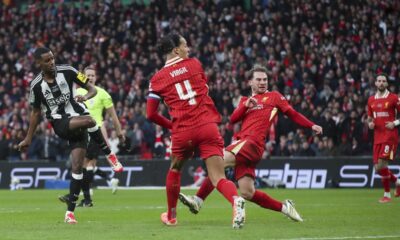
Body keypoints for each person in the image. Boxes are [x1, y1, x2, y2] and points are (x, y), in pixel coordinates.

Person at [179, 65, 323, 222]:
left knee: (217, 162)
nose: (263, 82)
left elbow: (292, 113)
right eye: (259, 79)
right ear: (250, 82)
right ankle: (284, 207)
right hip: (246, 147)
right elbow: (233, 119)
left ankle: (198, 200)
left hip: (251, 143)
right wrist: (245, 106)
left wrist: (311, 125)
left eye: (265, 79)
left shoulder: (274, 97)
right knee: (248, 192)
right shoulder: (244, 100)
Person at [146, 32, 246, 229]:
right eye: (185, 45)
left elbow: (150, 114)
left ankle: (172, 216)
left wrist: (171, 125)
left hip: (183, 130)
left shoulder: (157, 79)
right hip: (207, 125)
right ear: (176, 50)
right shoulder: (194, 64)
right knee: (218, 177)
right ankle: (236, 200)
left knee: (175, 169)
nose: (188, 49)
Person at [17, 47, 121, 224]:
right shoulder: (36, 86)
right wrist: (28, 138)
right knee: (90, 121)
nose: (52, 62)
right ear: (39, 63)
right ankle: (109, 153)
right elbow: (35, 113)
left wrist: (86, 96)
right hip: (60, 123)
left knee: (77, 167)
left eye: (52, 58)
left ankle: (69, 214)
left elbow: (91, 89)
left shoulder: (68, 71)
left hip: (77, 115)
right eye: (47, 60)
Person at [59, 65, 126, 207]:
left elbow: (113, 116)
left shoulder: (102, 94)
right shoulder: (75, 92)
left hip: (96, 132)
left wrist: (119, 132)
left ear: (96, 77)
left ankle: (82, 197)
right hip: (80, 132)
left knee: (88, 164)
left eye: (92, 75)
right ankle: (86, 197)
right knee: (83, 165)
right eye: (87, 75)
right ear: (83, 76)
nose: (90, 78)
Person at [367, 73, 400, 203]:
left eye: (383, 81)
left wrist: (395, 123)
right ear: (375, 83)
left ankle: (387, 195)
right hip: (377, 137)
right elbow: (370, 117)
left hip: (389, 136)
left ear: (386, 84)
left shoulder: (393, 98)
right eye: (379, 81)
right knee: (377, 168)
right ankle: (398, 182)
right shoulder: (371, 100)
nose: (381, 83)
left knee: (381, 165)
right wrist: (370, 123)